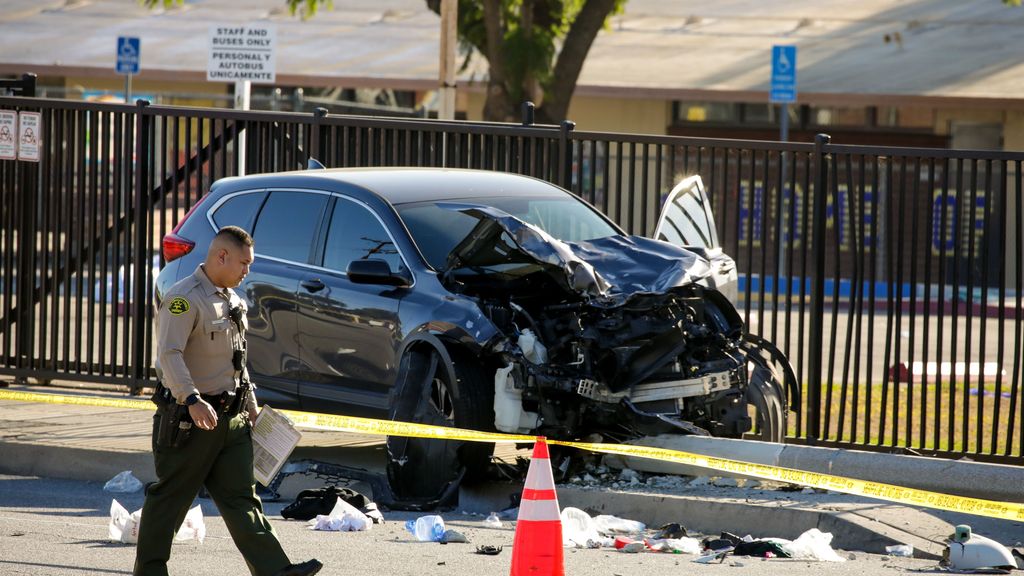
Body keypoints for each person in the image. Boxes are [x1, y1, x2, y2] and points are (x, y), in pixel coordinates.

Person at [134, 226, 322, 576]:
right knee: (171, 500)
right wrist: (190, 398)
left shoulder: (233, 300)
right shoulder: (184, 297)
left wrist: (250, 402)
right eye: (244, 263)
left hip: (231, 421)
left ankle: (275, 570)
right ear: (222, 256)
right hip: (190, 421)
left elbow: (237, 361)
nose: (247, 271)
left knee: (242, 499)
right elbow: (169, 355)